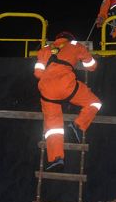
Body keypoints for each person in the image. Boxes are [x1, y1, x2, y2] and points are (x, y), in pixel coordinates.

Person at [34, 32, 102, 171]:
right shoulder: (75, 45)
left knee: (54, 128)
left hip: (46, 91)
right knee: (94, 103)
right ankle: (77, 125)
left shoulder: (45, 49)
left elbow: (38, 73)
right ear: (70, 39)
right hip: (66, 86)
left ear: (57, 39)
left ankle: (56, 159)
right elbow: (92, 66)